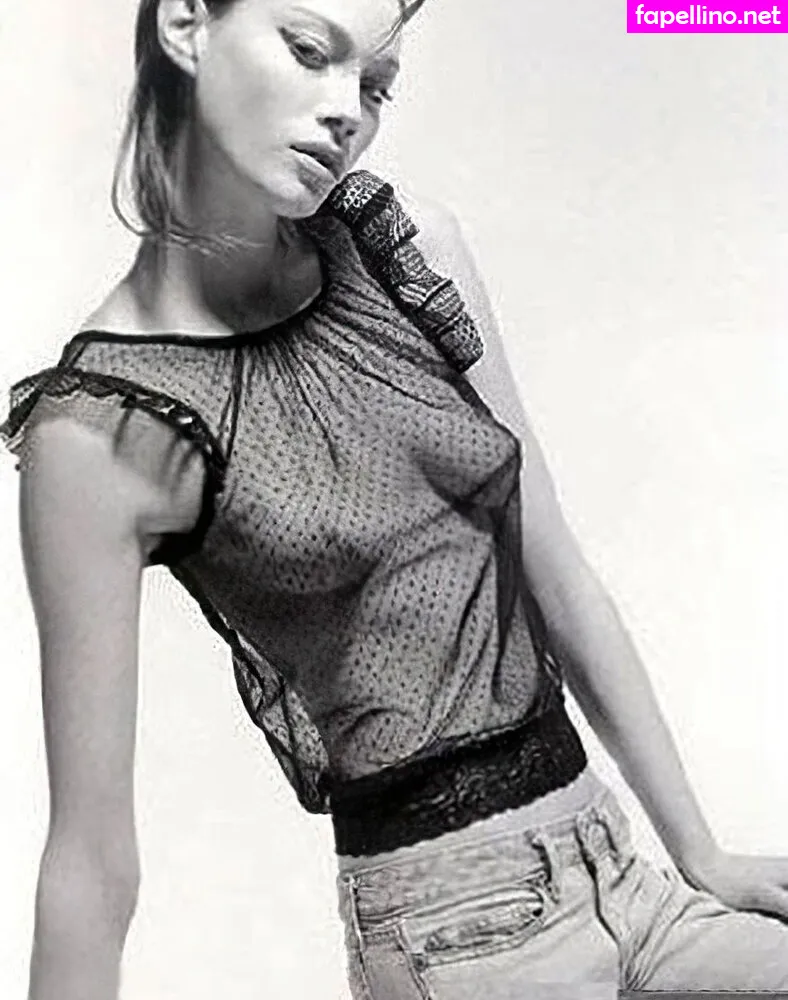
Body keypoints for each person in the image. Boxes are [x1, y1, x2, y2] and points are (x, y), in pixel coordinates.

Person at [2, 0, 787, 998]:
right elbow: (89, 858)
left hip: (622, 875)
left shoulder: (406, 250)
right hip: (456, 944)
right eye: (308, 51)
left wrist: (700, 852)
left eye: (375, 85)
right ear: (187, 22)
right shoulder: (99, 433)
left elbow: (558, 574)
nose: (347, 111)